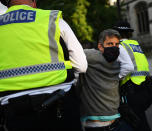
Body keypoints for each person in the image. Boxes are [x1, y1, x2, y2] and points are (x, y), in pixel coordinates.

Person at [0, 0, 87, 131]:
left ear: (8, 4)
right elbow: (81, 65)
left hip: (14, 109)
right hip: (60, 102)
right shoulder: (52, 18)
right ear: (34, 3)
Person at [77, 29, 134, 131]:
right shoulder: (118, 62)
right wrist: (118, 78)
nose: (114, 47)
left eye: (116, 44)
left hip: (112, 120)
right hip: (100, 123)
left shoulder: (89, 55)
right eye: (110, 43)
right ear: (100, 46)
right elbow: (129, 67)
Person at [113, 21, 152, 131]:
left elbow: (127, 68)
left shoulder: (120, 47)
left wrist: (115, 79)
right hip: (146, 89)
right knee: (138, 121)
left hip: (133, 92)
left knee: (135, 124)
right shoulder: (135, 44)